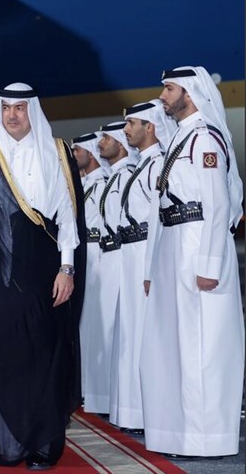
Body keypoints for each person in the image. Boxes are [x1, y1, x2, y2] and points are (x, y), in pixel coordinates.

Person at [0, 83, 84, 470]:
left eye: (20, 108)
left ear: (33, 111)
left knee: (42, 355)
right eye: (6, 108)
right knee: (0, 353)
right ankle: (6, 440)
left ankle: (42, 443)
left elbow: (68, 220)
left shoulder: (57, 151)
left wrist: (67, 268)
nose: (12, 115)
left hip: (45, 272)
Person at [140, 66, 244, 458]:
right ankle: (180, 434)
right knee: (175, 345)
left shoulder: (204, 140)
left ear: (191, 92)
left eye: (169, 88)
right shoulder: (181, 138)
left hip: (198, 245)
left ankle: (206, 439)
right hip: (175, 244)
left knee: (201, 346)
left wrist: (210, 265)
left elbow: (217, 206)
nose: (163, 95)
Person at [108, 101, 173, 435]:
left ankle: (149, 413)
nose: (126, 130)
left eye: (132, 123)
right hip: (129, 255)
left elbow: (157, 220)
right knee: (130, 336)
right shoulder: (141, 166)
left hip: (144, 255)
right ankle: (133, 412)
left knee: (145, 337)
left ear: (150, 127)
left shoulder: (159, 165)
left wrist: (150, 269)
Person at [86, 121, 134, 415]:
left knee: (116, 329)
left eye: (107, 137)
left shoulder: (125, 176)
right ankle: (99, 395)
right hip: (103, 254)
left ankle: (112, 400)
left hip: (119, 254)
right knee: (97, 328)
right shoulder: (113, 179)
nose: (102, 142)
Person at [70, 131, 108, 406]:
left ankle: (94, 390)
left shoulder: (104, 183)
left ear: (91, 153)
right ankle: (82, 387)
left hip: (99, 254)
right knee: (83, 325)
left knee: (94, 323)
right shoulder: (82, 185)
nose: (73, 157)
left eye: (77, 151)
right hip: (84, 254)